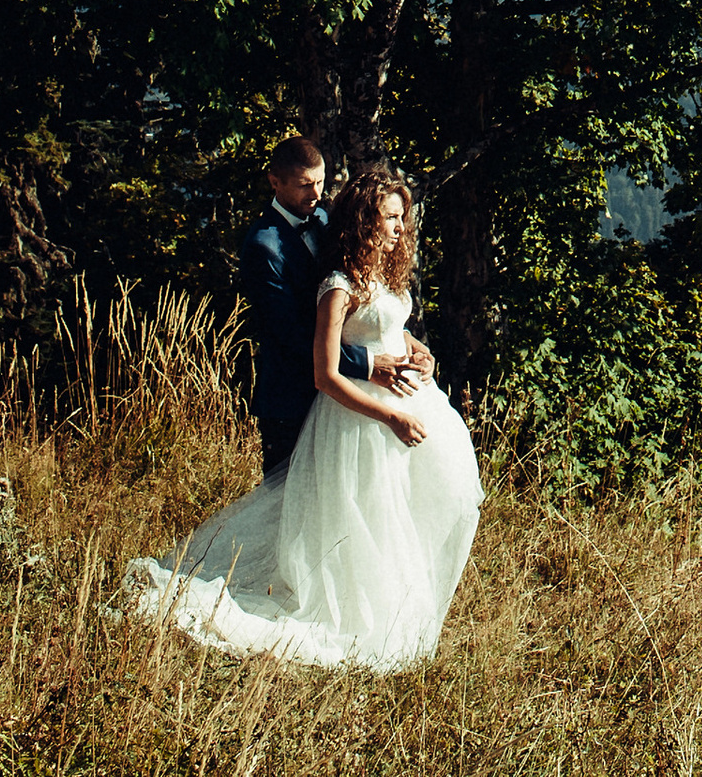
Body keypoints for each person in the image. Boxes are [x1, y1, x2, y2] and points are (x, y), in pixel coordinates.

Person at [127, 162, 485, 669]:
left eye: (401, 217)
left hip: (405, 402)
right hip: (360, 419)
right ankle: (355, 611)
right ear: (366, 220)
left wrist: (416, 348)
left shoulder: (383, 270)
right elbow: (325, 371)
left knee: (407, 509)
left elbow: (386, 325)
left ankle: (399, 606)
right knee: (360, 517)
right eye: (390, 217)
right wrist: (390, 416)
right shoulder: (334, 282)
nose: (400, 226)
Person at [241, 134, 427, 473]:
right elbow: (291, 335)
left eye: (320, 181)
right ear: (275, 182)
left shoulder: (326, 220)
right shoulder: (263, 246)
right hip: (293, 397)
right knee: (291, 496)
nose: (315, 193)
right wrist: (366, 362)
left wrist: (403, 339)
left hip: (345, 401)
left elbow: (362, 301)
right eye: (304, 185)